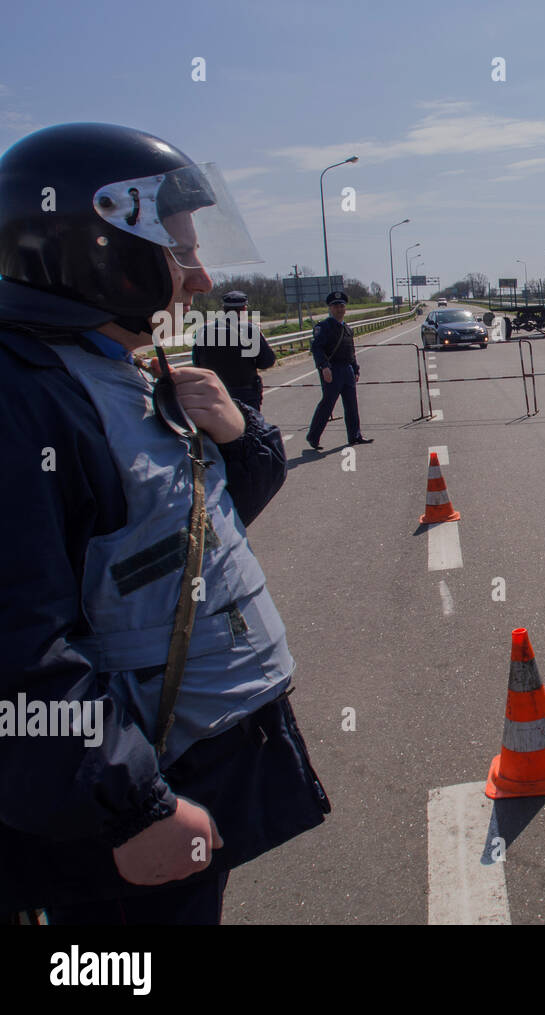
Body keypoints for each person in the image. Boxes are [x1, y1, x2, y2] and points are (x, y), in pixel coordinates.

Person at [0, 122, 330, 925]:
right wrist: (128, 803)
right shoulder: (26, 400)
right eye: (179, 254)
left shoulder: (112, 367)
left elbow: (192, 527)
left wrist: (239, 434)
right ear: (101, 254)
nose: (202, 277)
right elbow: (18, 642)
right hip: (125, 798)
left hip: (186, 758)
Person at [305, 290, 371, 451]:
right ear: (330, 308)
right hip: (332, 369)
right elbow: (317, 348)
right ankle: (313, 437)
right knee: (327, 404)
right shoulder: (324, 327)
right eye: (335, 306)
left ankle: (355, 435)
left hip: (347, 369)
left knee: (351, 405)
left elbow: (351, 351)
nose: (339, 309)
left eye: (341, 306)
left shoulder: (347, 328)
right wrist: (324, 367)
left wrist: (355, 369)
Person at [191, 290, 276, 410]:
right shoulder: (250, 330)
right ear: (244, 309)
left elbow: (197, 362)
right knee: (248, 427)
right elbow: (267, 361)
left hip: (213, 391)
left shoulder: (203, 331)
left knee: (217, 427)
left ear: (223, 309)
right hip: (244, 393)